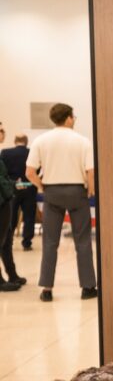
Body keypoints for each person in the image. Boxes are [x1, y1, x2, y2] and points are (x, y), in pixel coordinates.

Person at [26, 103, 97, 302]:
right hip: (76, 191)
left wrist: (42, 187)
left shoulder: (41, 140)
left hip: (52, 192)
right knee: (82, 241)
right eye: (73, 117)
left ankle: (47, 289)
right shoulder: (83, 141)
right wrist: (90, 189)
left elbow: (29, 172)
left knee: (50, 242)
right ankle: (88, 287)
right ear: (67, 118)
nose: (74, 120)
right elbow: (90, 171)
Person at [2, 134, 38, 251]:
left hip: (12, 189)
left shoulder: (5, 153)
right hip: (30, 189)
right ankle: (27, 242)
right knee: (29, 216)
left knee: (11, 216)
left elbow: (3, 171)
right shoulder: (32, 152)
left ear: (15, 141)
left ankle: (8, 241)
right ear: (26, 142)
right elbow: (36, 169)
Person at [0, 122, 24, 292]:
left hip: (5, 200)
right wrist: (11, 188)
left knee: (6, 240)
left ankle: (12, 274)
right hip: (2, 200)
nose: (3, 133)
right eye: (0, 130)